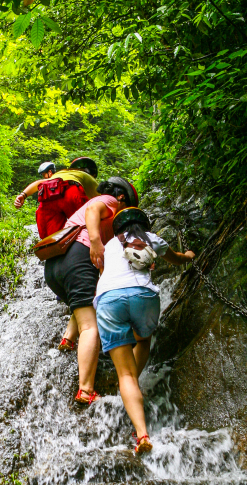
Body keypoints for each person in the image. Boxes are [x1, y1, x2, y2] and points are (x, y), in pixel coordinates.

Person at [94, 206, 195, 454]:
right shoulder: (152, 239)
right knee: (143, 340)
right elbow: (176, 259)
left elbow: (101, 272)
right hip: (144, 297)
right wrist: (189, 255)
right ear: (145, 224)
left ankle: (141, 434)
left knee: (124, 375)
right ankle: (134, 387)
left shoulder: (108, 245)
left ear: (117, 229)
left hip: (109, 300)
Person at [44, 177, 139, 405]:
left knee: (88, 302)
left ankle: (68, 339)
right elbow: (93, 211)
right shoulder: (109, 201)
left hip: (55, 265)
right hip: (78, 255)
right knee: (91, 325)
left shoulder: (104, 223)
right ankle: (85, 390)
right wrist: (95, 241)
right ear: (122, 196)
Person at [14, 156, 99, 239]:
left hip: (48, 192)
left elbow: (38, 183)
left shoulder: (61, 174)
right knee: (85, 227)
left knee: (52, 239)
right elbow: (102, 200)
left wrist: (23, 195)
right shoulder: (88, 178)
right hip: (71, 190)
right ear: (92, 174)